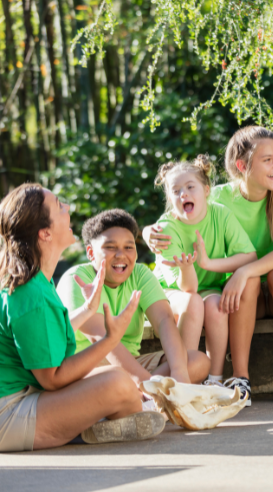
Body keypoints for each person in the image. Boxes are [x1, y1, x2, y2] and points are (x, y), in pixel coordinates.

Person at [145, 126, 273, 405]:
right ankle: (240, 377)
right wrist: (148, 232)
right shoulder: (217, 197)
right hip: (243, 296)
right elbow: (175, 216)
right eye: (268, 159)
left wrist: (242, 271)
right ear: (242, 166)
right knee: (250, 281)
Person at [0, 184, 163, 452]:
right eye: (59, 206)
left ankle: (97, 421)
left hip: (25, 401)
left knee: (120, 384)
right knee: (119, 383)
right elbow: (52, 378)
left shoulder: (34, 281)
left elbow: (44, 336)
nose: (68, 209)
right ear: (45, 232)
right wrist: (111, 338)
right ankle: (91, 424)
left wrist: (88, 309)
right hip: (9, 415)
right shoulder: (31, 293)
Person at [56, 209, 210, 390]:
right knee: (118, 384)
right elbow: (101, 338)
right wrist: (146, 383)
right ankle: (148, 396)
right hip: (87, 370)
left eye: (128, 247)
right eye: (111, 247)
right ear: (90, 252)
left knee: (197, 362)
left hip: (133, 365)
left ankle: (144, 399)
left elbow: (164, 321)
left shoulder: (140, 273)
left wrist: (179, 372)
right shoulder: (76, 279)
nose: (121, 255)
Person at [151, 156, 256, 400]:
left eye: (190, 187)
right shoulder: (166, 228)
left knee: (217, 306)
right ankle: (186, 376)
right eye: (175, 191)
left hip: (207, 288)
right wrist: (190, 268)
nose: (182, 194)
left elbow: (248, 255)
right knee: (194, 301)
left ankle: (215, 380)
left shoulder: (221, 215)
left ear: (206, 190)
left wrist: (208, 263)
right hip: (171, 292)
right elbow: (187, 288)